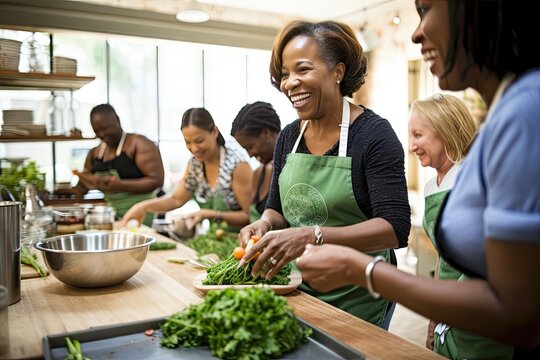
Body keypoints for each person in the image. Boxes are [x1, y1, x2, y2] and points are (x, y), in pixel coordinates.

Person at [297, 1, 540, 358]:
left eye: (427, 9)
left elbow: (519, 316)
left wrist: (361, 268)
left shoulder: (523, 111)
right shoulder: (508, 109)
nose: (416, 32)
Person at [238, 20, 411, 329]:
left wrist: (313, 235)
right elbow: (277, 208)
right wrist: (264, 223)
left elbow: (395, 228)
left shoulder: (373, 135)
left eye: (302, 70)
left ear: (338, 72)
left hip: (359, 296)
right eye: (285, 74)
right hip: (295, 288)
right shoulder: (289, 136)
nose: (289, 83)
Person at [410, 94, 513, 358]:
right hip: (448, 310)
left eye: (418, 135)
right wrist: (434, 317)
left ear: (445, 131)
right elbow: (441, 257)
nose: (412, 146)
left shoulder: (475, 180)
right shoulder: (434, 185)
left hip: (479, 311)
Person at [120, 107, 252, 232]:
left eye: (199, 140)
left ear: (215, 132)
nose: (194, 148)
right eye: (188, 142)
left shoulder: (237, 166)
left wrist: (210, 214)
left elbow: (249, 216)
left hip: (241, 243)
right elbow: (176, 199)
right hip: (214, 238)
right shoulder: (195, 165)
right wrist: (143, 207)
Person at [74, 104, 164, 226]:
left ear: (117, 120)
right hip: (111, 216)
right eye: (97, 131)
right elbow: (83, 186)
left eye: (106, 128)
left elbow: (157, 181)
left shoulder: (139, 144)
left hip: (142, 217)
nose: (102, 134)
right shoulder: (94, 153)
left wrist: (119, 185)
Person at [230, 101, 281, 223]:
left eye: (250, 146)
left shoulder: (289, 170)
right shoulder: (259, 173)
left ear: (266, 134)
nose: (250, 154)